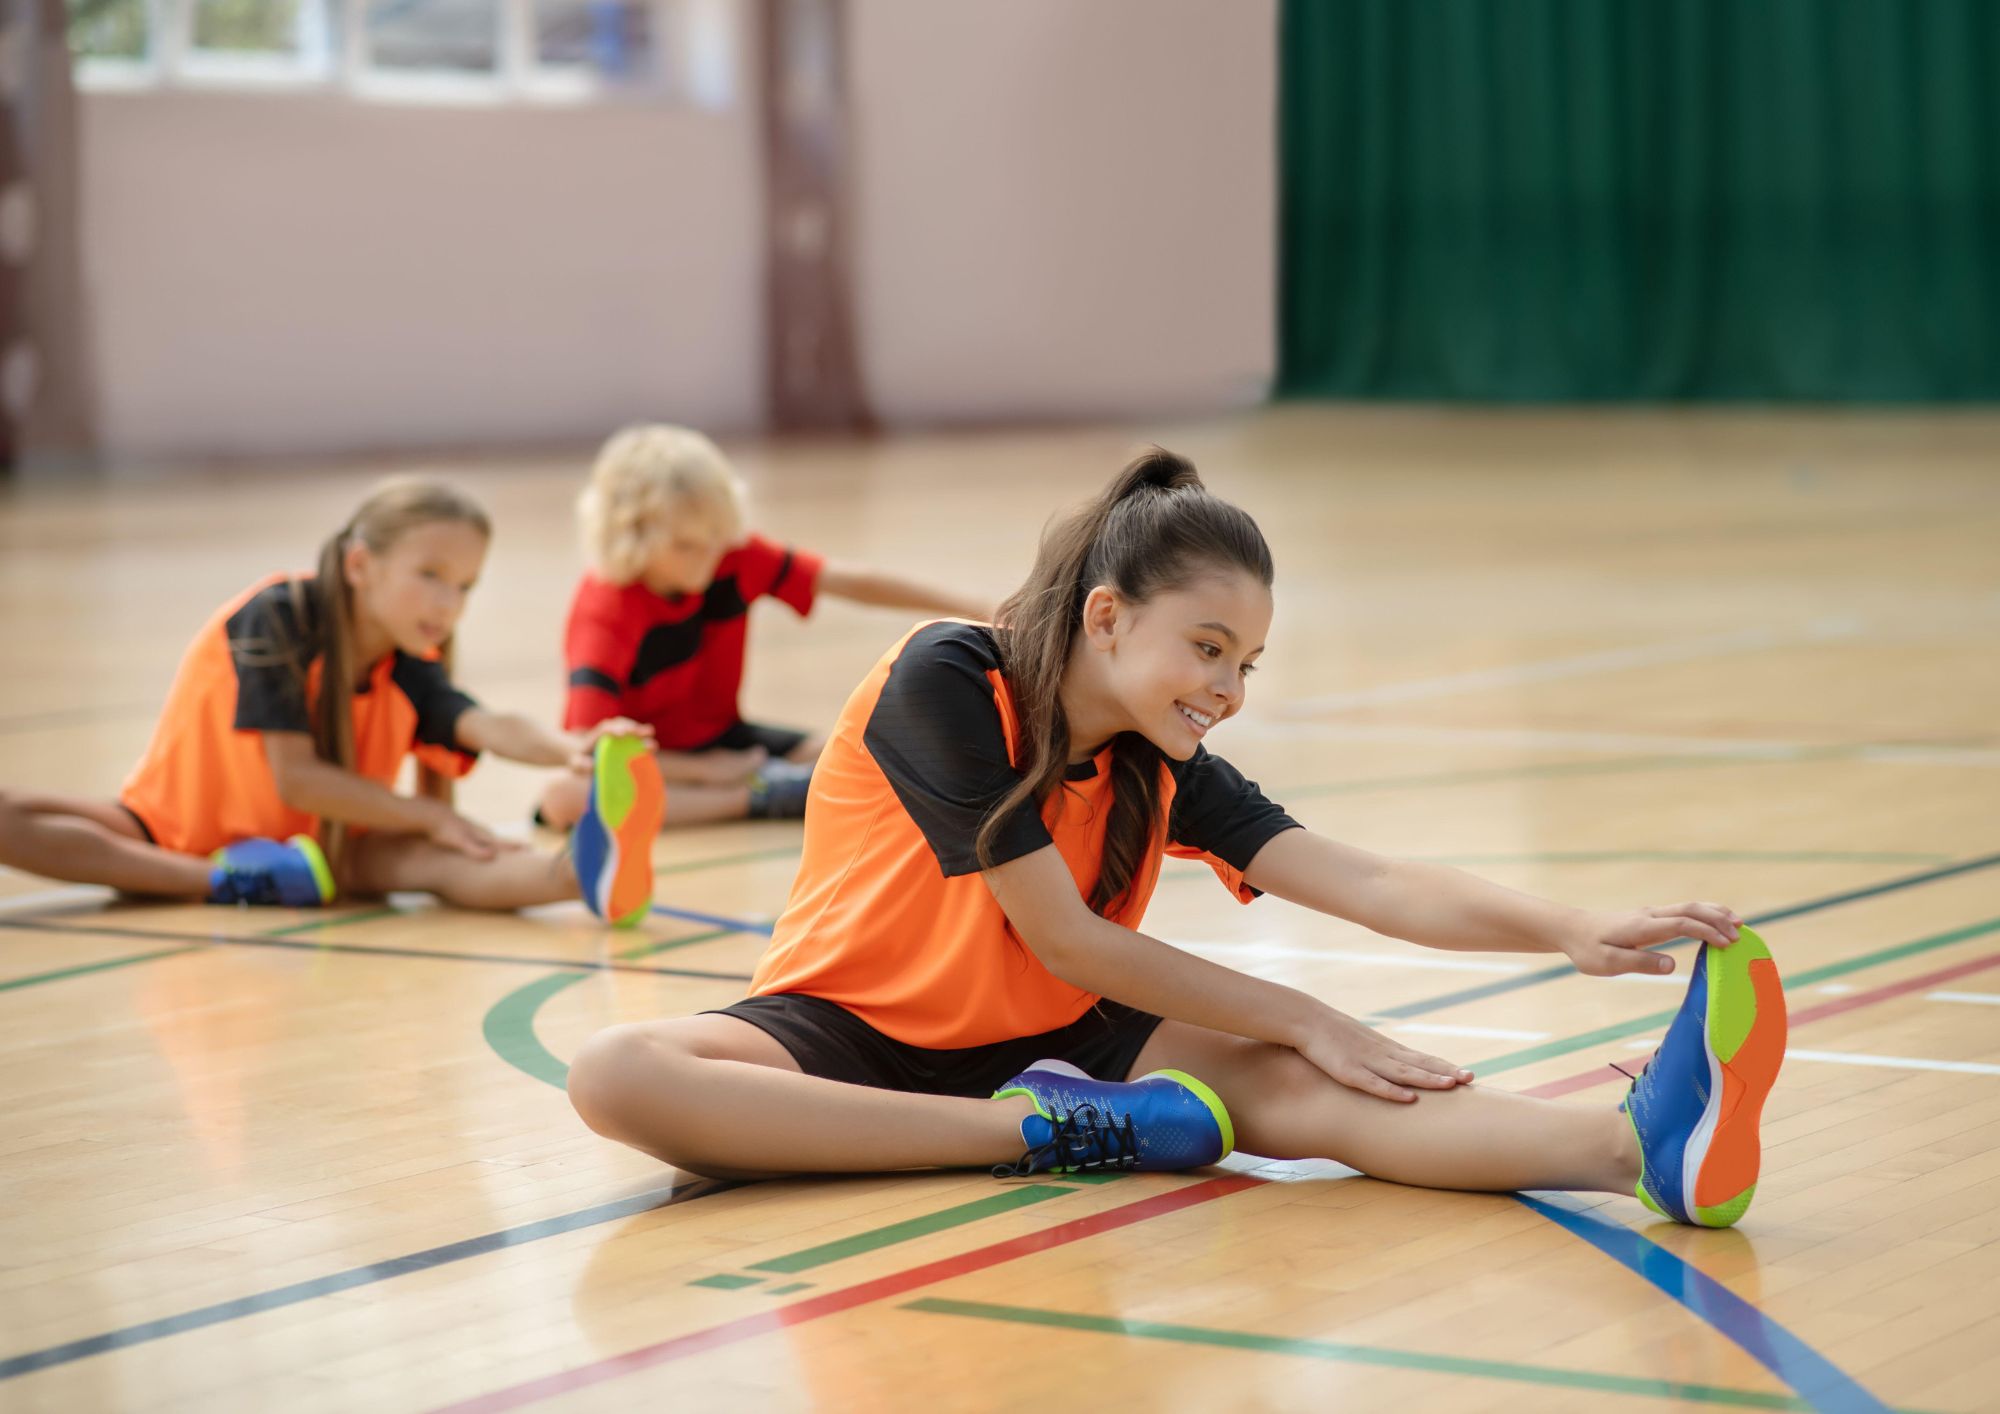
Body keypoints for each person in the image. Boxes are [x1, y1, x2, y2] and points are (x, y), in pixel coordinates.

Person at [563, 450, 1785, 1228]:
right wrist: (1298, 1007)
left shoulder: (1160, 756)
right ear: (1106, 614)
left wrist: (1564, 926)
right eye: (1206, 648)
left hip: (1062, 1034)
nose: (1227, 686)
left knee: (1319, 1088)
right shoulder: (948, 678)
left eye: (1244, 662)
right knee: (615, 1072)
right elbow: (1062, 931)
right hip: (848, 1026)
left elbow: (1358, 877)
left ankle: (1633, 1148)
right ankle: (1043, 1130)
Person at [0, 476, 663, 923]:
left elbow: (483, 723)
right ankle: (226, 882)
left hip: (322, 857)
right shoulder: (278, 618)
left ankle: (583, 875)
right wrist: (420, 813)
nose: (447, 603)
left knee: (447, 860)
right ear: (358, 566)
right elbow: (297, 779)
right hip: (179, 832)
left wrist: (572, 746)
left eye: (464, 587)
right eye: (430, 576)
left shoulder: (409, 657)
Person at [537, 424, 990, 829]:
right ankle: (751, 797)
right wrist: (704, 771)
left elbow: (850, 581)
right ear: (631, 534)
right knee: (565, 797)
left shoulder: (732, 555)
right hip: (653, 761)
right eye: (687, 546)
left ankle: (771, 785)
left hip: (729, 738)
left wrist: (979, 607)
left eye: (716, 540)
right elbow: (586, 745)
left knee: (858, 752)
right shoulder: (605, 609)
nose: (708, 559)